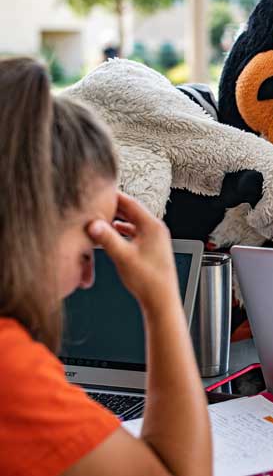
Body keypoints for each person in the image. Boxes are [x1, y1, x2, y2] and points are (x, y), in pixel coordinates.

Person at [0, 57, 212, 476]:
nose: (87, 279)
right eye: (88, 248)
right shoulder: (10, 372)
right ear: (34, 223)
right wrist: (162, 298)